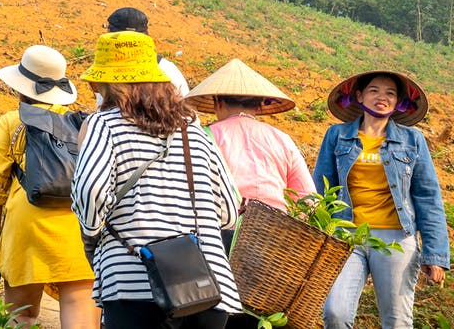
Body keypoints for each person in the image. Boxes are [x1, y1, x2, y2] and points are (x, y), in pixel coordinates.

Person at [72, 31, 242, 328]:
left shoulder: (105, 124)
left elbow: (91, 191)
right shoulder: (194, 133)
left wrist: (91, 231)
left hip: (133, 282)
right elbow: (229, 210)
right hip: (207, 288)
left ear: (109, 85)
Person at [313, 70, 448, 329]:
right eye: (374, 91)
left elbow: (428, 197)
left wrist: (436, 254)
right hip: (346, 235)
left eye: (390, 93)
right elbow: (320, 189)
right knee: (335, 313)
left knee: (396, 321)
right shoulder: (337, 135)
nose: (382, 97)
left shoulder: (412, 140)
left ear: (398, 102)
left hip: (395, 238)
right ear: (360, 96)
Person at [0, 45, 99, 328]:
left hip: (26, 228)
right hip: (77, 229)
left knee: (22, 315)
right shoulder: (82, 122)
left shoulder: (12, 121)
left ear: (21, 85)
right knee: (81, 314)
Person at [184, 58, 314, 214]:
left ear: (218, 102)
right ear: (258, 106)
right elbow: (308, 201)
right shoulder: (282, 139)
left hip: (222, 230)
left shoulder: (204, 137)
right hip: (274, 230)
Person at [104, 7, 190, 98]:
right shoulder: (167, 68)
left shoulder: (106, 71)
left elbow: (103, 108)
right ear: (146, 36)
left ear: (109, 34)